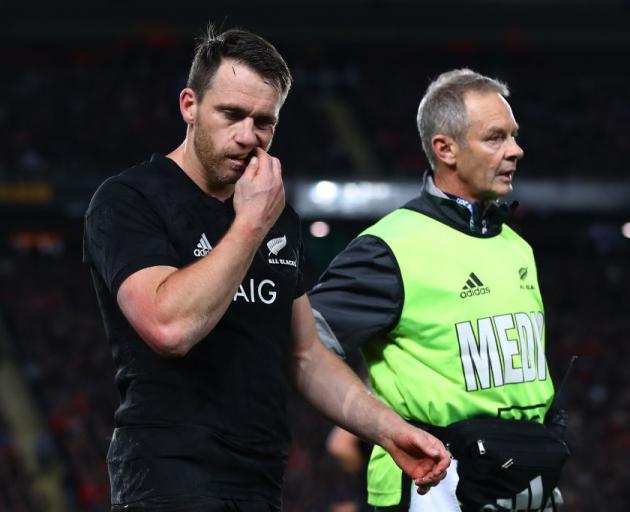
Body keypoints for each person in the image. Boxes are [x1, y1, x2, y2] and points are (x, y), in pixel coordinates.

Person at [83, 26, 450, 512]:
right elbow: (169, 326)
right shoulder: (131, 200)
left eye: (264, 122)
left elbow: (305, 356)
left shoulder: (276, 215)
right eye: (231, 114)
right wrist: (251, 222)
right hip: (166, 478)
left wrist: (389, 430)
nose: (247, 137)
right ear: (189, 105)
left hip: (259, 479)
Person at [309, 69, 568, 512]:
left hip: (522, 488)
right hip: (430, 490)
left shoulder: (517, 247)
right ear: (445, 148)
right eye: (495, 138)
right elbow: (302, 346)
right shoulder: (390, 247)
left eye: (514, 136)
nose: (516, 150)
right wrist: (382, 425)